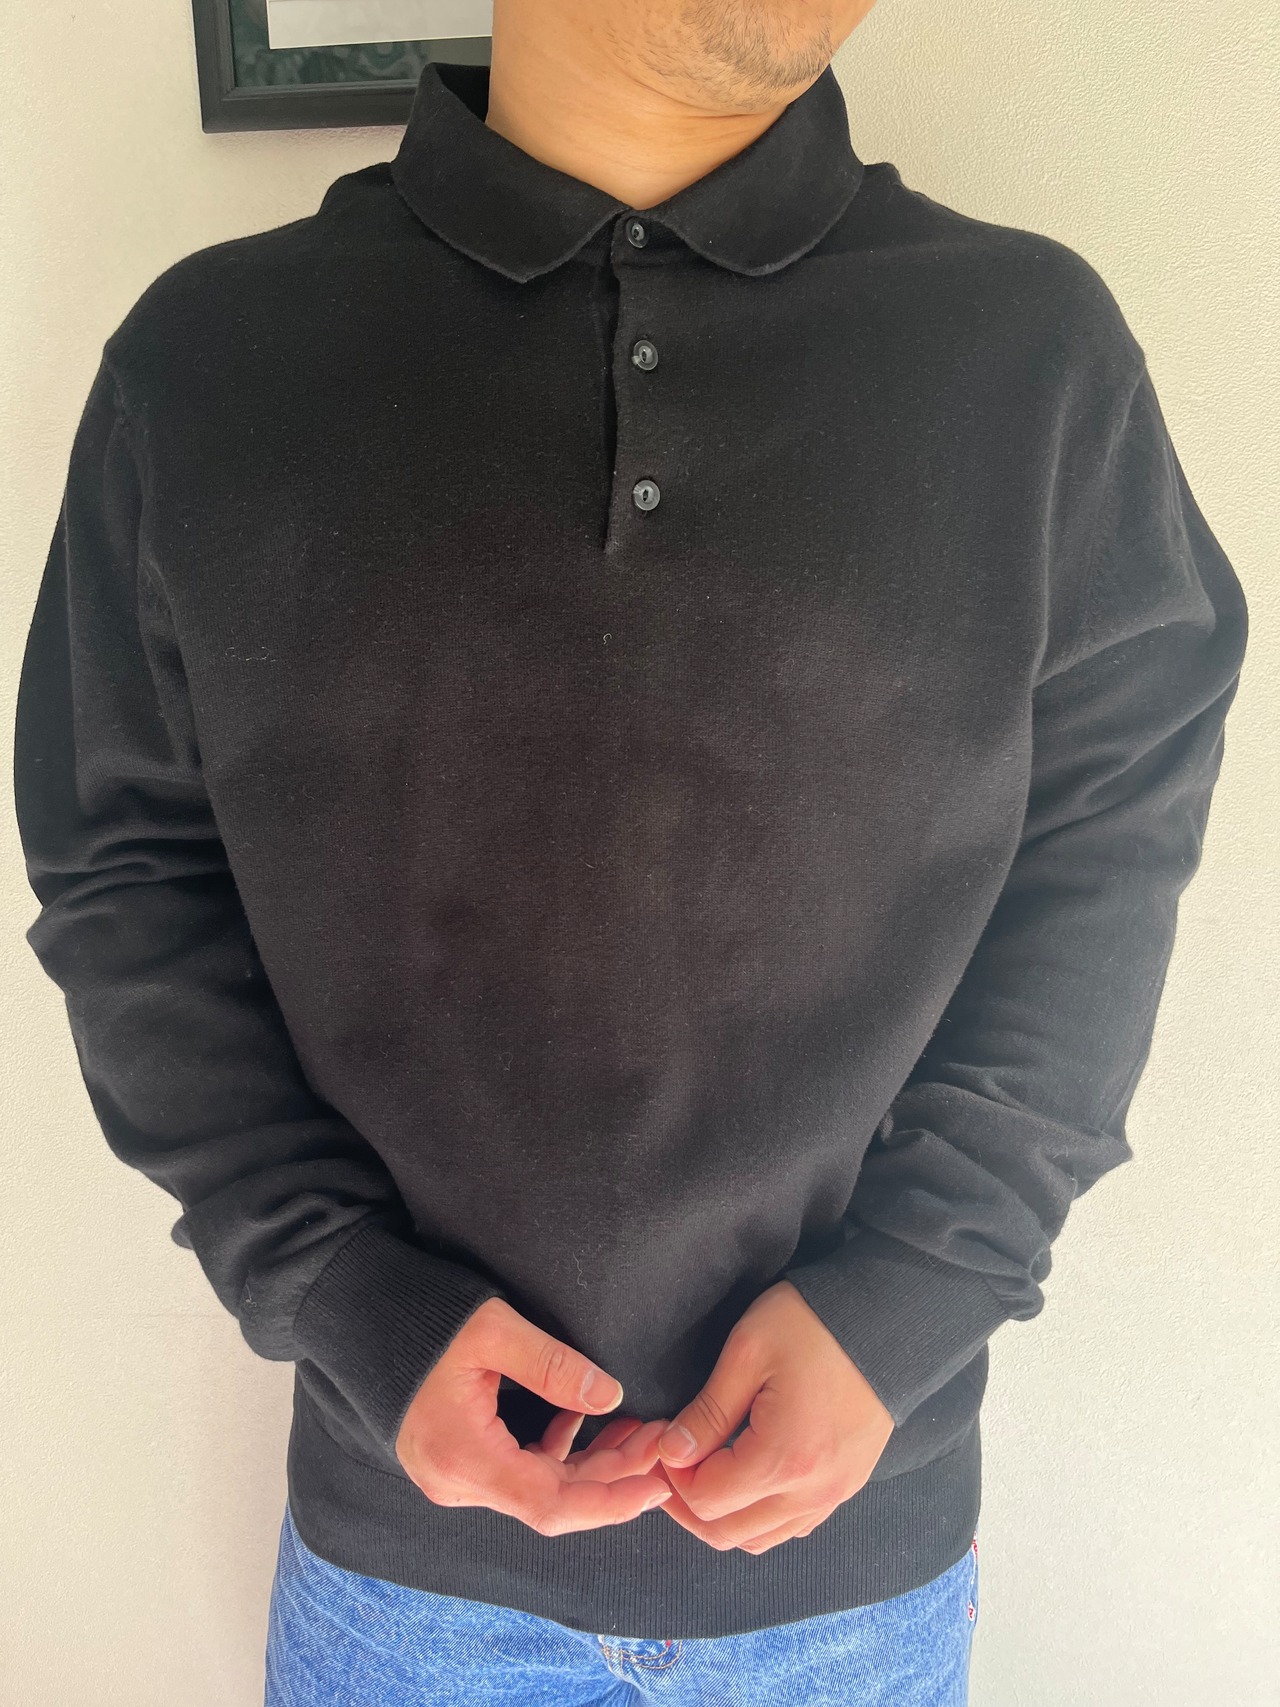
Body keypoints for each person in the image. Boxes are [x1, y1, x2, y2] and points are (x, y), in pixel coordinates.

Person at [13, 0, 1249, 1701]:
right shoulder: (209, 362)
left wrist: (916, 1289)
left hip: (856, 1586)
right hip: (401, 1588)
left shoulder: (1031, 355)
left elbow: (1109, 849)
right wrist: (349, 1296)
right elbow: (121, 876)